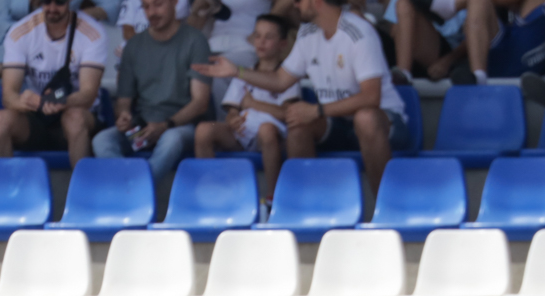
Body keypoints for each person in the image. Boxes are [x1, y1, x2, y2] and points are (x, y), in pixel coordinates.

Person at [196, 0, 412, 192]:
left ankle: (386, 207)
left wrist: (317, 110)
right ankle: (308, 207)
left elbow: (371, 98)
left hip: (385, 122)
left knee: (365, 118)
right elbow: (280, 80)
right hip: (337, 122)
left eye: (299, 0)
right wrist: (237, 71)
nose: (295, 4)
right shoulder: (307, 32)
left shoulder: (358, 31)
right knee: (298, 125)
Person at [95, 0, 212, 177]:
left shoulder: (195, 41)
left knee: (172, 139)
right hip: (144, 127)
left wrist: (166, 125)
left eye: (158, 4)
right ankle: (129, 185)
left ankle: (137, 188)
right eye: (146, 6)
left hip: (181, 126)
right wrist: (124, 115)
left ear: (174, 3)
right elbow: (124, 100)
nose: (151, 12)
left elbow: (200, 102)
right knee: (102, 141)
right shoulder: (134, 45)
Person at [0, 0, 110, 165]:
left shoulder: (92, 32)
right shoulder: (20, 31)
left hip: (77, 111)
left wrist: (59, 101)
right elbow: (8, 96)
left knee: (75, 118)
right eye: (46, 2)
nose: (52, 8)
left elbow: (88, 94)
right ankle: (2, 181)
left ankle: (82, 181)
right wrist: (23, 101)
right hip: (36, 115)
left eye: (59, 2)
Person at [194, 12, 292, 203]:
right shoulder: (245, 72)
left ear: (282, 44)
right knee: (204, 130)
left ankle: (273, 197)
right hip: (243, 134)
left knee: (266, 130)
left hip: (273, 137)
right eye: (257, 35)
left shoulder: (288, 76)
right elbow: (232, 109)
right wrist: (232, 119)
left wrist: (252, 104)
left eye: (268, 37)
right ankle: (212, 192)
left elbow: (286, 113)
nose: (261, 41)